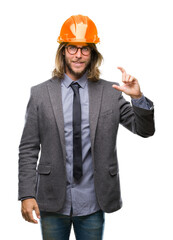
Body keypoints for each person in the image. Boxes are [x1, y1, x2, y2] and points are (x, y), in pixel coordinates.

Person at [18, 14, 155, 240]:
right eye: (73, 48)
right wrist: (26, 194)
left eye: (85, 49)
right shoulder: (40, 94)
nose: (78, 55)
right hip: (52, 201)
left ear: (92, 54)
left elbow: (144, 130)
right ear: (63, 50)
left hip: (93, 201)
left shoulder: (110, 93)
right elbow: (28, 148)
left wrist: (138, 97)